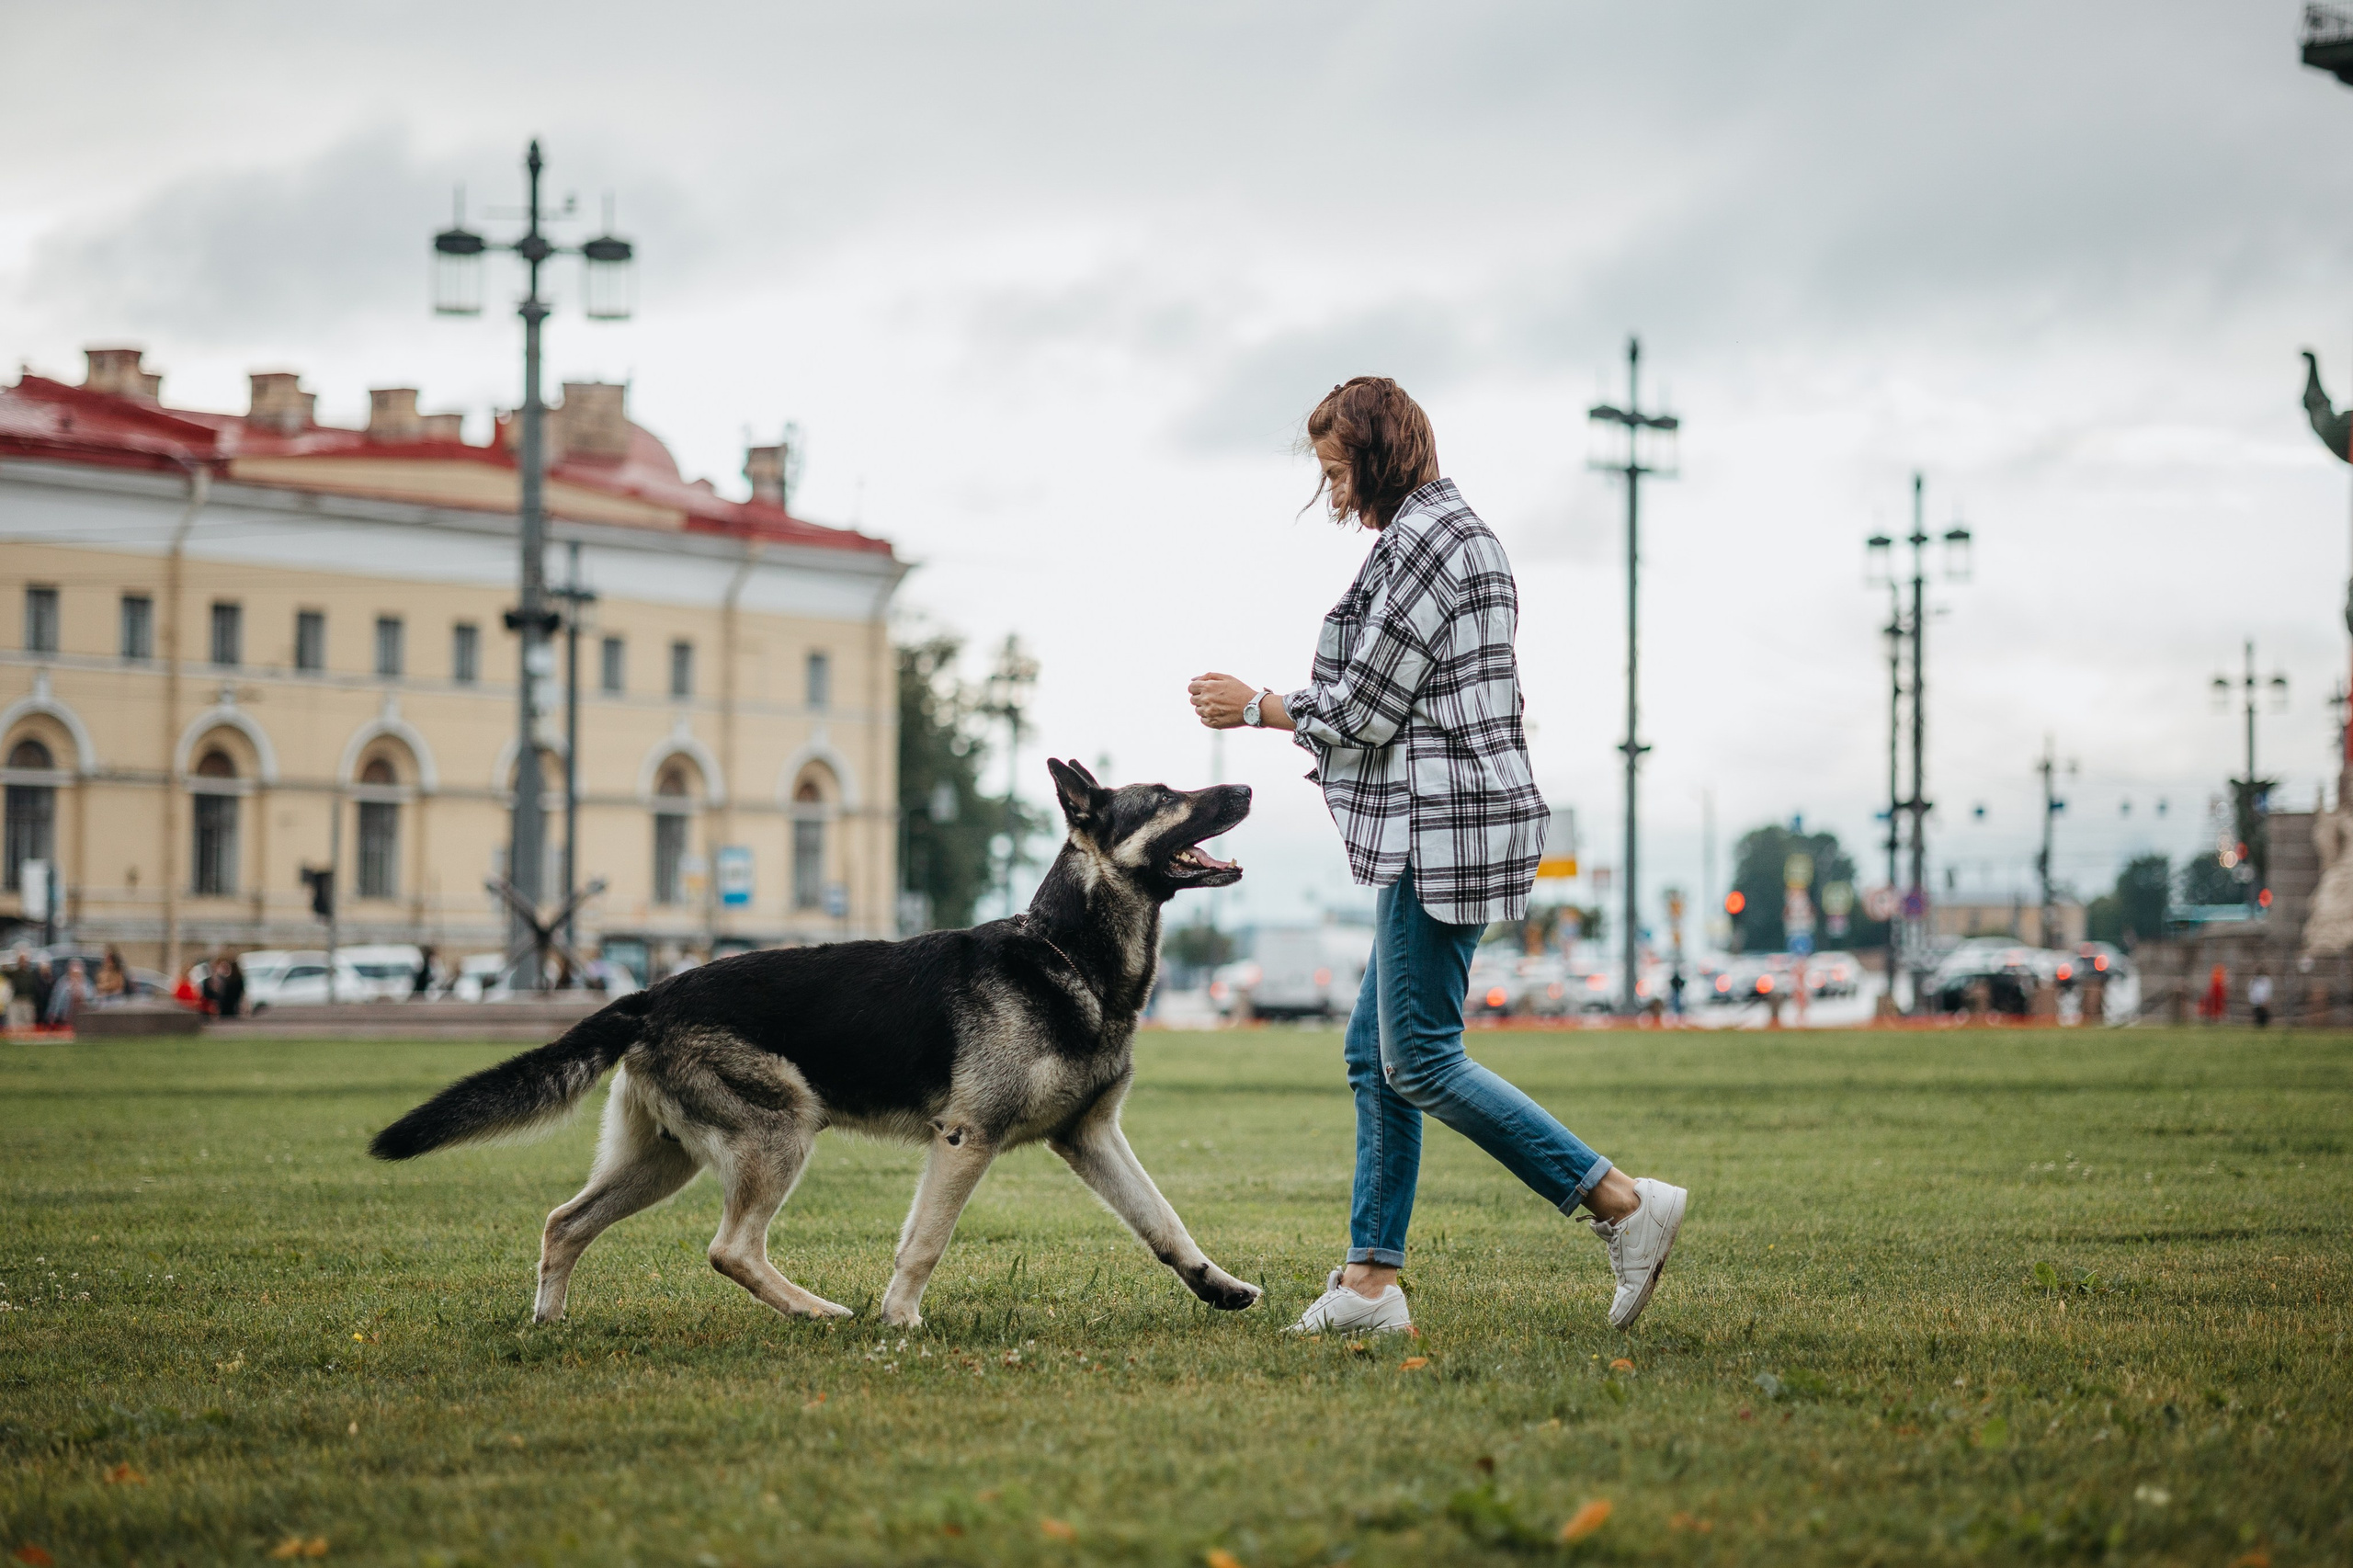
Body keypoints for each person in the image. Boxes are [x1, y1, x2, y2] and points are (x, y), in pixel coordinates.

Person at [1187, 376, 1689, 1336]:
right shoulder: (1452, 532)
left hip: (1440, 825)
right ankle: (1371, 1283)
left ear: (1377, 453)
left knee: (1415, 1055)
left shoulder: (1425, 540)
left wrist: (1256, 705)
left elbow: (1368, 706)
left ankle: (1620, 1203)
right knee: (1373, 1054)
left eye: (1337, 469)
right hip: (1447, 818)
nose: (1331, 491)